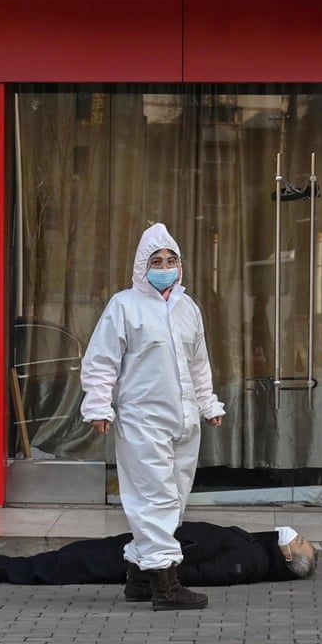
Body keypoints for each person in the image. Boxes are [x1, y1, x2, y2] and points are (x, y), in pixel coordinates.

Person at [80, 223, 225, 611]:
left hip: (184, 419)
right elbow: (102, 360)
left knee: (174, 497)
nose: (165, 266)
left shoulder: (187, 308)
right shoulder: (125, 306)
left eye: (171, 260)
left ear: (180, 265)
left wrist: (208, 403)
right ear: (141, 267)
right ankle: (165, 584)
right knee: (155, 498)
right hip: (142, 419)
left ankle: (138, 575)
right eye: (156, 261)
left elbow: (199, 364)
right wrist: (98, 405)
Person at [0, 523, 317, 589]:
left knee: (73, 565)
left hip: (152, 556)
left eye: (298, 540)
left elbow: (209, 572)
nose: (293, 534)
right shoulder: (260, 548)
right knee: (79, 554)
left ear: (289, 557)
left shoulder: (253, 561)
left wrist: (159, 573)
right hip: (153, 541)